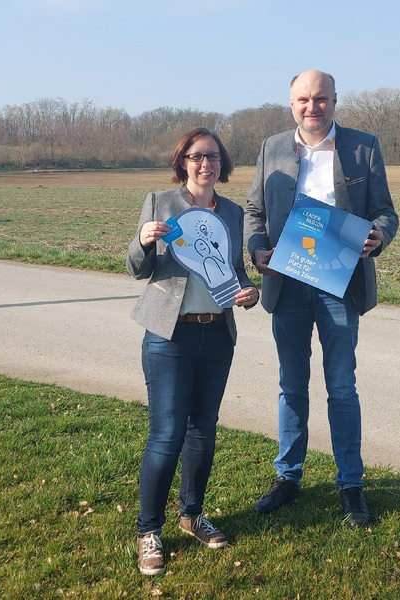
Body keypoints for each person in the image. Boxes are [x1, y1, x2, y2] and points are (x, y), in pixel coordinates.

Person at [244, 70, 398, 527]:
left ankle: (350, 484)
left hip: (340, 284)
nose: (312, 107)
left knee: (341, 386)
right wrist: (256, 248)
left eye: (321, 99)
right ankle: (288, 477)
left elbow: (385, 211)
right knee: (291, 386)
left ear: (335, 100)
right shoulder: (272, 147)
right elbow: (254, 210)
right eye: (303, 100)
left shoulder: (363, 146)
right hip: (288, 284)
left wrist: (379, 235)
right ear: (292, 103)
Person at [127, 127, 259, 575]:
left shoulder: (233, 213)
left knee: (203, 430)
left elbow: (235, 271)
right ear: (182, 161)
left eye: (214, 156)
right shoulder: (160, 202)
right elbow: (136, 269)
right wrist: (144, 241)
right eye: (197, 156)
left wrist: (250, 293)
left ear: (223, 164)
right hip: (169, 337)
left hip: (217, 336)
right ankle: (148, 530)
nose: (206, 164)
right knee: (167, 435)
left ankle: (192, 515)